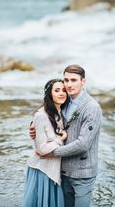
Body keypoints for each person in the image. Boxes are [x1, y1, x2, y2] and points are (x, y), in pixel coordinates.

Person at [30, 64, 102, 207]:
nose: (69, 85)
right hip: (63, 170)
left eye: (73, 80)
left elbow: (83, 144)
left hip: (82, 172)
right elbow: (48, 108)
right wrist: (33, 124)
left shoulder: (92, 107)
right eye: (66, 80)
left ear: (83, 81)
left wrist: (52, 153)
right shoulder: (65, 100)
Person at [23, 79, 68, 207]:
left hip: (53, 169)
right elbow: (41, 149)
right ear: (49, 94)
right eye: (57, 90)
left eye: (64, 90)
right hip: (43, 170)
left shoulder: (59, 111)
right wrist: (61, 139)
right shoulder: (41, 116)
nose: (61, 93)